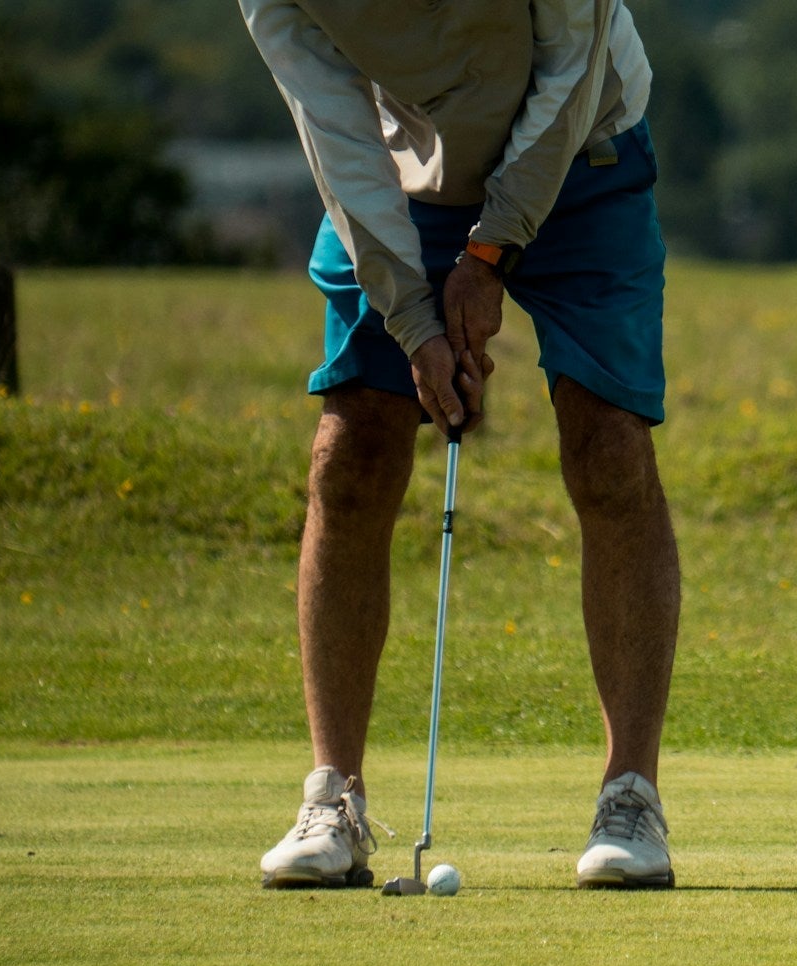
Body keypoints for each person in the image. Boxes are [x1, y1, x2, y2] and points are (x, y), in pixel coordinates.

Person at [238, 0, 680, 890]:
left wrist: (487, 256)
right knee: (351, 450)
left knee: (608, 446)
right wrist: (413, 319)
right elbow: (334, 127)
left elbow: (568, 68)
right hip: (407, 173)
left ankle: (631, 796)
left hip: (583, 142)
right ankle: (334, 800)